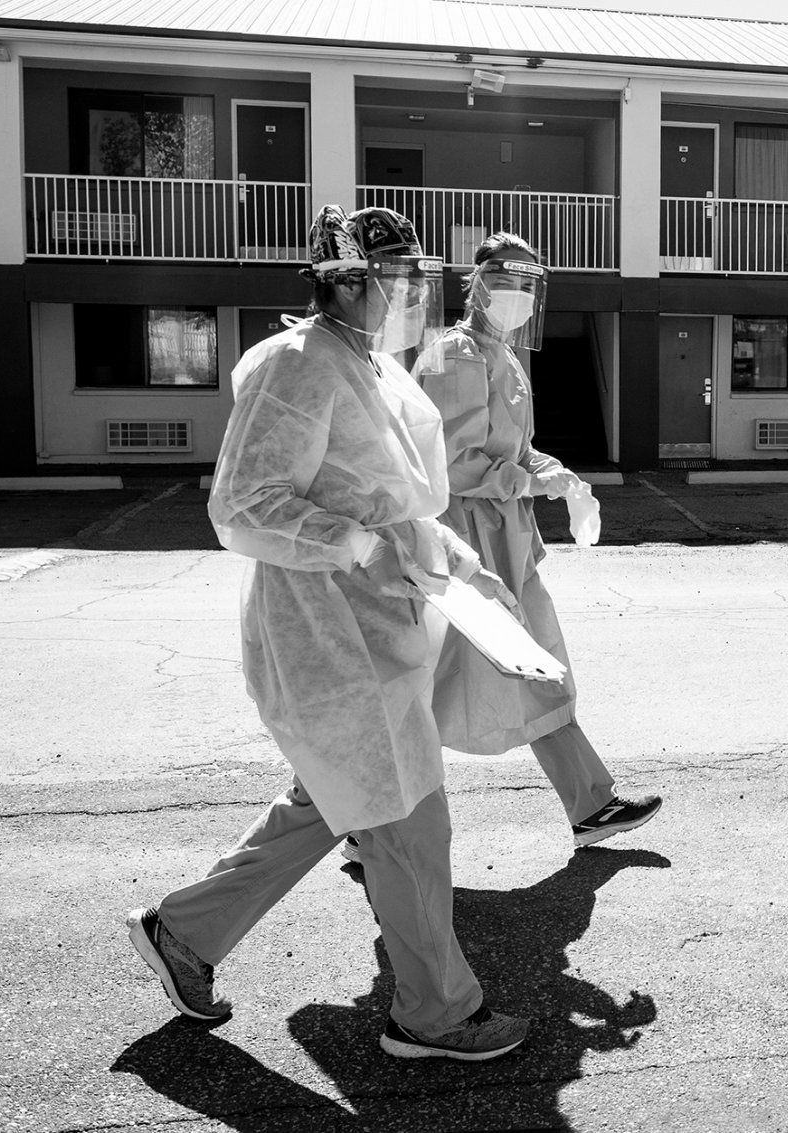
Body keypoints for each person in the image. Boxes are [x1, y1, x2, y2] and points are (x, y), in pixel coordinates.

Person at [126, 204, 529, 1063]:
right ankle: (435, 1012)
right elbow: (244, 502)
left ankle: (182, 933)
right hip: (328, 634)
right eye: (398, 276)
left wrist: (458, 564)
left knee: (334, 800)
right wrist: (356, 545)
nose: (412, 291)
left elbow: (400, 501)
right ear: (347, 278)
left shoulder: (373, 368)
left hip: (382, 628)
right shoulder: (297, 365)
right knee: (406, 820)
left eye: (416, 276)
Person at [412, 233, 660, 849]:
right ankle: (369, 826)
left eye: (529, 285)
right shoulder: (458, 354)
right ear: (476, 285)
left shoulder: (503, 355)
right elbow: (452, 460)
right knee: (420, 683)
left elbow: (513, 451)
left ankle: (591, 803)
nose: (519, 296)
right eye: (508, 282)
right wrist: (528, 480)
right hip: (468, 538)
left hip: (506, 537)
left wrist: (559, 476)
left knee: (534, 665)